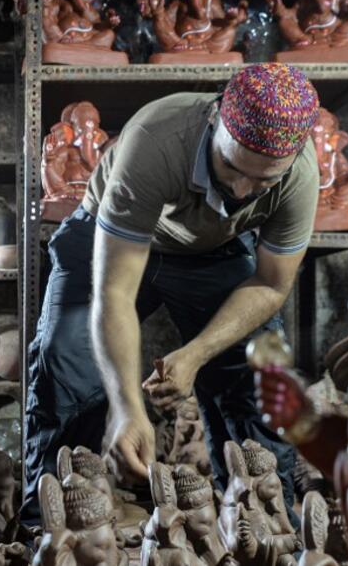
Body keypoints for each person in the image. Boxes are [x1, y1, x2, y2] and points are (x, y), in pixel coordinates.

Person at [21, 63, 322, 526]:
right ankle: (52, 527)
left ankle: (259, 522)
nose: (242, 190)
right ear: (215, 118)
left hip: (210, 249)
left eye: (263, 182)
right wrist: (127, 408)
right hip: (109, 241)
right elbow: (114, 292)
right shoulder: (155, 140)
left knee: (255, 369)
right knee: (68, 358)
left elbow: (270, 283)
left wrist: (198, 352)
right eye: (232, 167)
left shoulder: (299, 175)